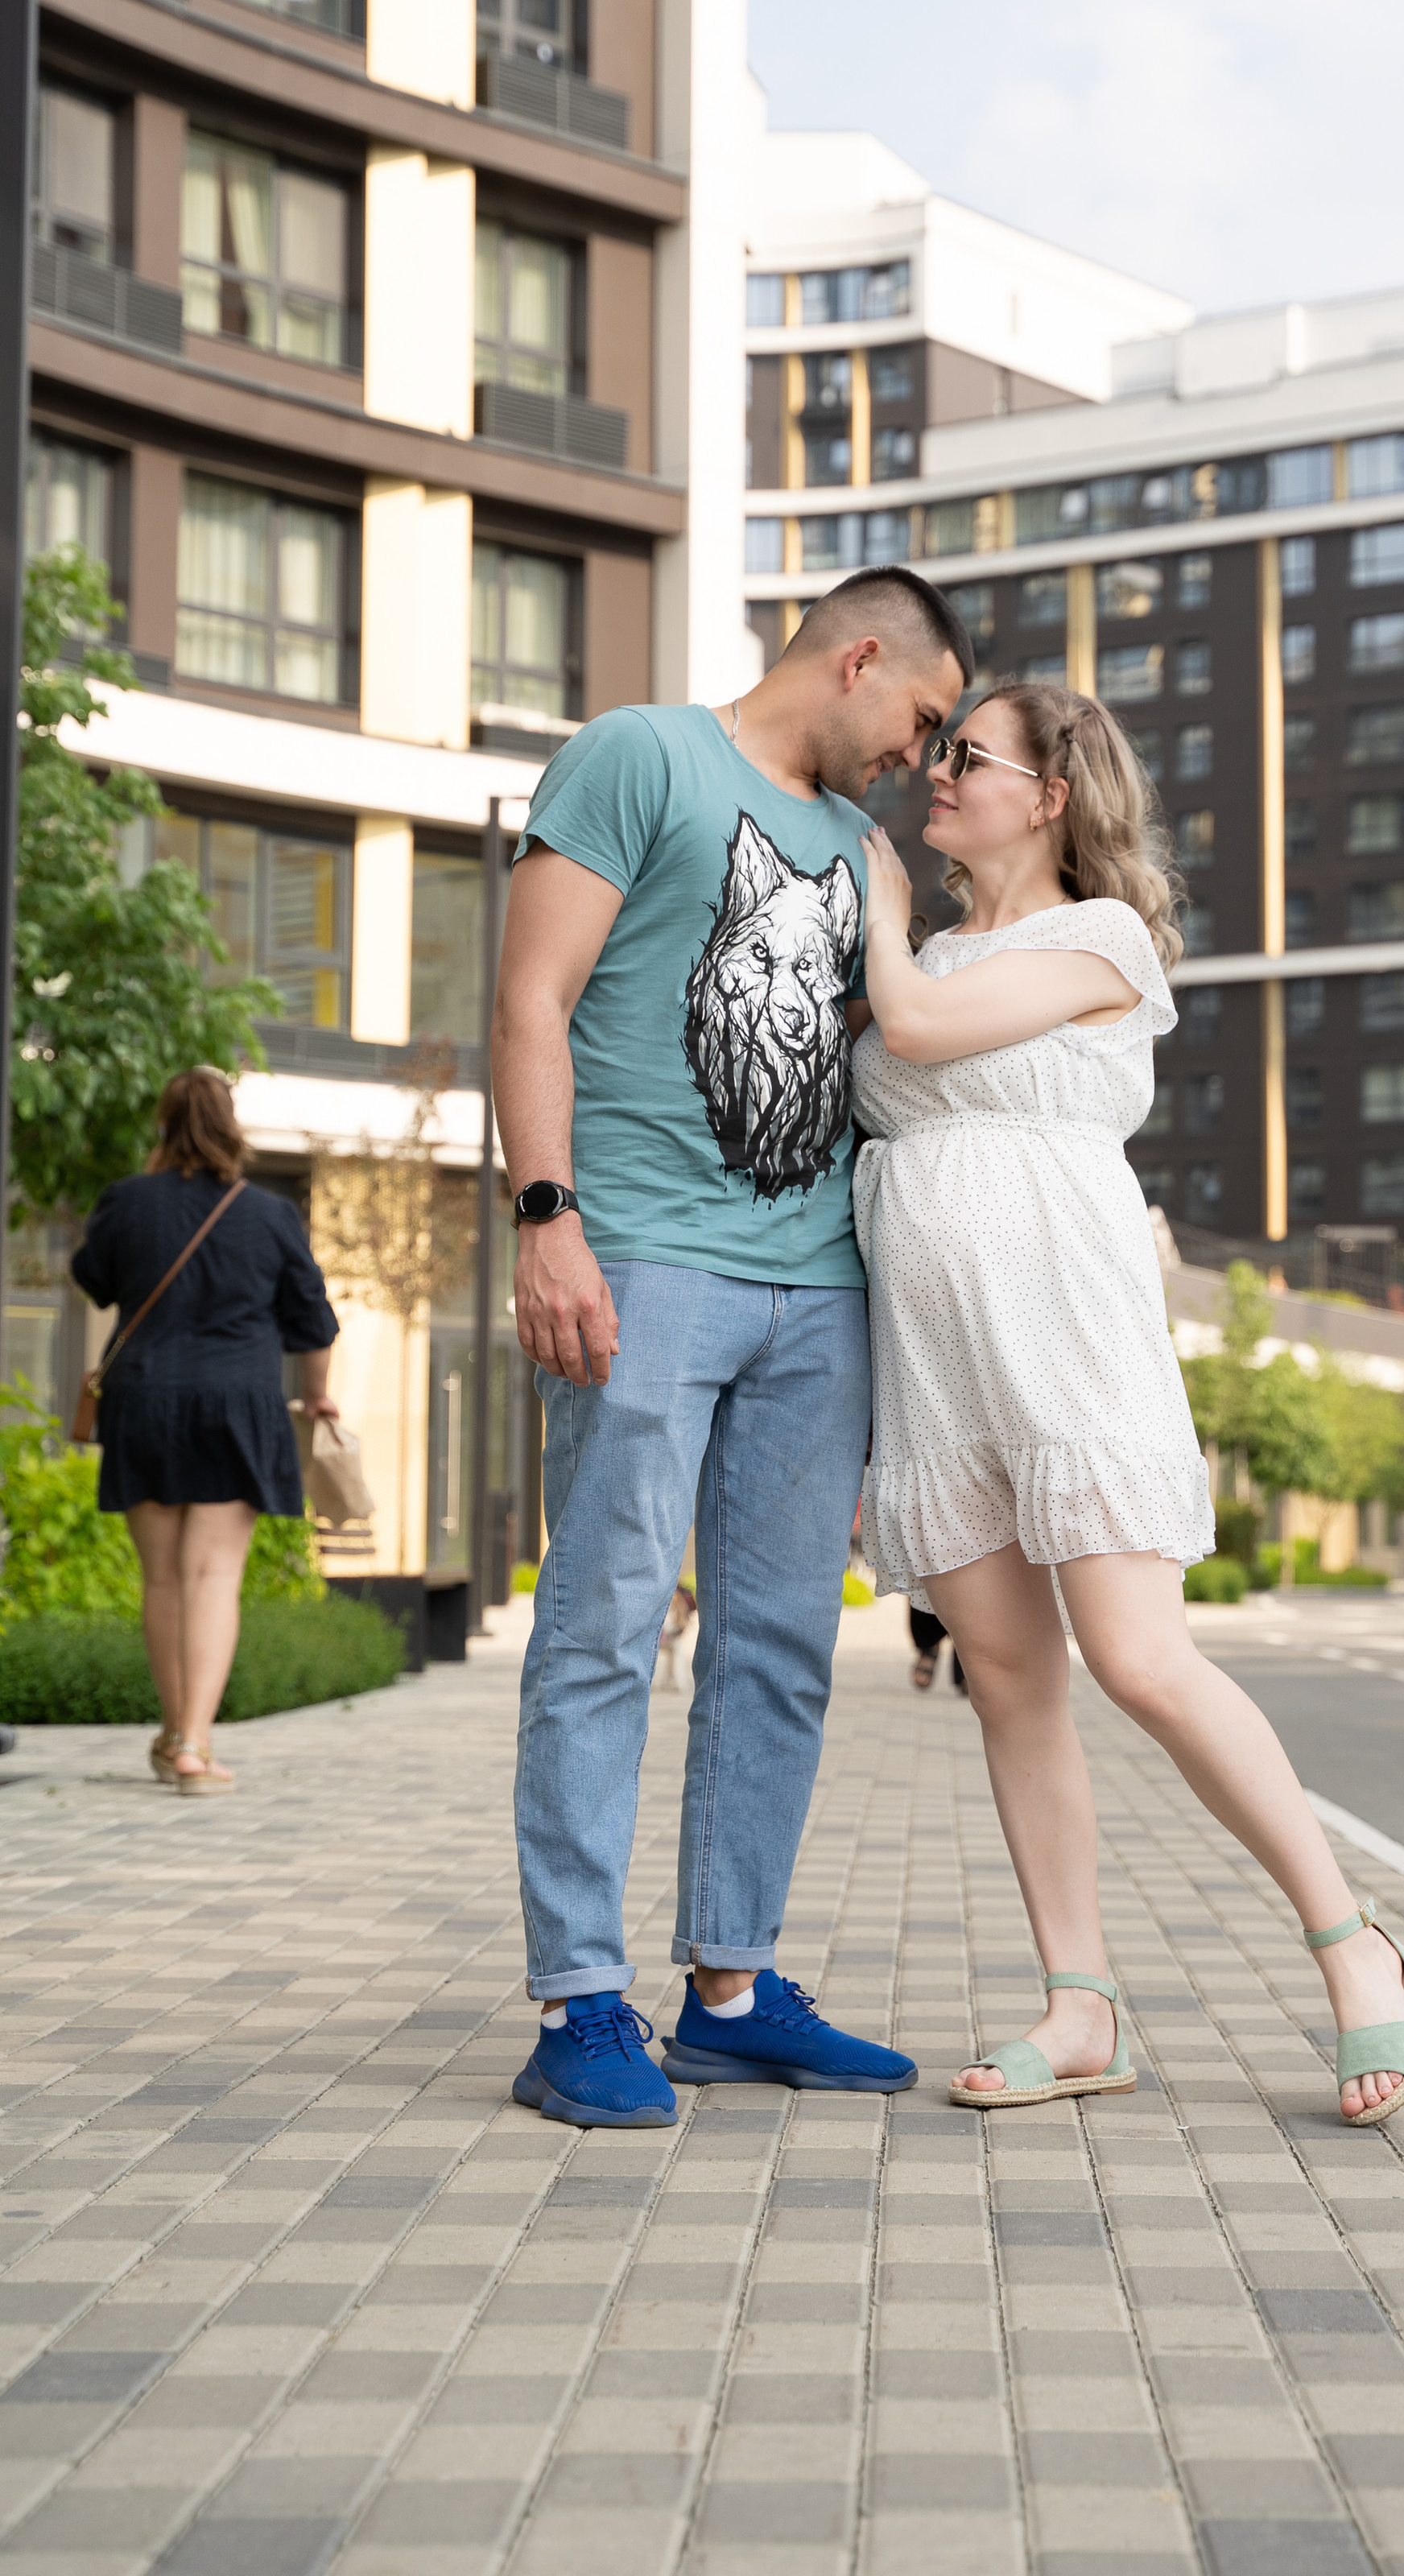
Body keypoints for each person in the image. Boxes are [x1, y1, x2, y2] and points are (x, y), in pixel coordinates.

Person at [852, 682, 1404, 2128]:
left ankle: (1354, 1947)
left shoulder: (1097, 940)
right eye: (938, 753)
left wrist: (860, 884)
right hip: (938, 1354)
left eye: (966, 758)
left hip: (1066, 1333)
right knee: (1009, 1678)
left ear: (1049, 795)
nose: (936, 776)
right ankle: (1082, 2002)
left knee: (1141, 1658)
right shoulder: (930, 945)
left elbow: (913, 1032)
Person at [493, 567, 972, 2129]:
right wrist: (543, 1216)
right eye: (919, 715)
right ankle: (577, 2001)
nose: (921, 750)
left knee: (776, 1648)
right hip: (642, 1257)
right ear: (855, 659)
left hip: (812, 1286)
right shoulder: (638, 755)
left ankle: (728, 1991)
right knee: (605, 1626)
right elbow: (529, 997)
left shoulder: (861, 851)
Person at [70, 1068, 341, 1794]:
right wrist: (317, 1398)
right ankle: (194, 1743)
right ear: (232, 1128)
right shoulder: (269, 1213)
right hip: (237, 1404)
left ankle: (174, 1735)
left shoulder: (126, 1201)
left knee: (161, 1578)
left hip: (145, 1399)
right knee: (211, 1576)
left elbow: (93, 1278)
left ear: (164, 1123)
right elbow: (315, 1323)